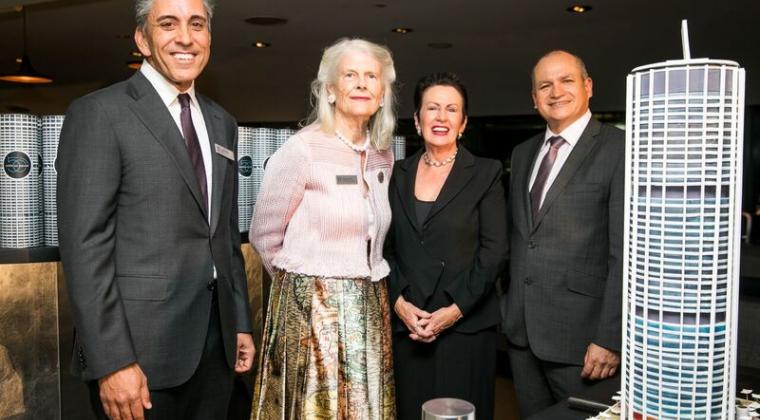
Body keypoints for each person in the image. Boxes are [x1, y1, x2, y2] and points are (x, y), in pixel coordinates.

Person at [56, 0, 255, 418]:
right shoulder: (99, 114)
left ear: (209, 37)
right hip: (137, 357)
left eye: (196, 24)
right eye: (168, 24)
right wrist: (111, 362)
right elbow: (85, 248)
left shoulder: (223, 123)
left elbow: (223, 235)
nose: (185, 37)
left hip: (215, 352)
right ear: (142, 39)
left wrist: (239, 320)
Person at [249, 38, 397, 419]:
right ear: (330, 90)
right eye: (350, 75)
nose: (362, 84)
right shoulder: (302, 150)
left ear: (382, 94)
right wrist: (302, 293)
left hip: (370, 304)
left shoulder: (383, 153)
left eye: (371, 77)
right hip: (313, 312)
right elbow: (264, 235)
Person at [503, 50, 624, 418]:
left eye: (566, 80)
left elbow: (627, 252)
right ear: (534, 98)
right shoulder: (523, 154)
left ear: (588, 87)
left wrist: (609, 337)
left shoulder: (619, 149)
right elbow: (522, 239)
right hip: (522, 335)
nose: (556, 92)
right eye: (545, 85)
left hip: (583, 342)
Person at [386, 72, 508, 420]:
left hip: (465, 329)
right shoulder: (396, 174)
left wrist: (452, 311)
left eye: (451, 110)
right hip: (408, 327)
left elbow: (493, 252)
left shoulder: (486, 173)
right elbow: (382, 247)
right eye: (432, 108)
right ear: (417, 119)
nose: (441, 117)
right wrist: (399, 305)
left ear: (464, 122)